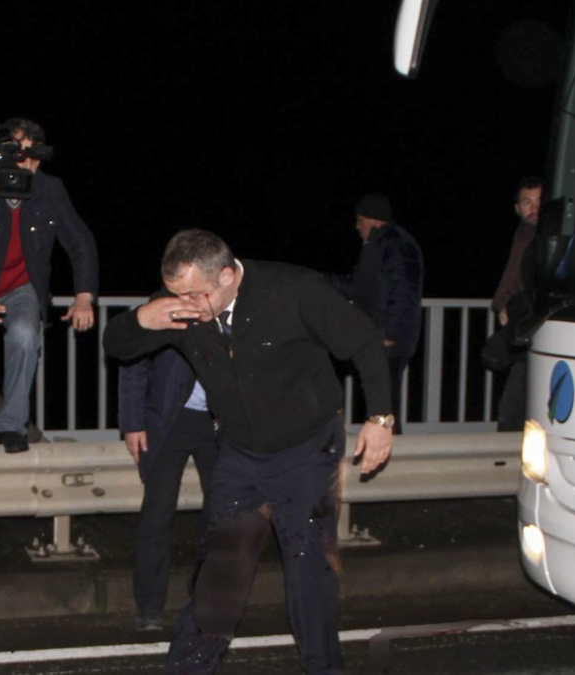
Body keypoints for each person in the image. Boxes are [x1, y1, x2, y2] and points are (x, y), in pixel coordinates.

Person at [103, 229, 394, 674]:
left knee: (305, 569)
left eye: (196, 294)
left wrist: (380, 420)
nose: (188, 306)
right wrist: (143, 317)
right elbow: (117, 346)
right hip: (239, 452)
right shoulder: (182, 306)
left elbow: (364, 343)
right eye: (177, 294)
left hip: (306, 448)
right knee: (223, 572)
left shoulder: (294, 291)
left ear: (225, 275)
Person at [0, 118, 99, 453]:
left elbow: (79, 241)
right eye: (18, 154)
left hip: (22, 288)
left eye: (34, 155)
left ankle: (12, 426)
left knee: (25, 333)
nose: (27, 163)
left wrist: (84, 296)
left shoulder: (49, 189)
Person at [118, 348, 219, 632]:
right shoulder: (163, 305)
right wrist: (132, 422)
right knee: (158, 511)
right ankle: (149, 605)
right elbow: (133, 359)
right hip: (167, 419)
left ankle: (209, 594)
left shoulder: (235, 308)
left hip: (220, 420)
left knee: (224, 512)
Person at [330, 193, 424, 433]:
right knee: (379, 396)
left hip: (390, 339)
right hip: (376, 334)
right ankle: (382, 447)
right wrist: (322, 282)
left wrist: (389, 333)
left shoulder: (397, 244)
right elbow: (360, 286)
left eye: (359, 220)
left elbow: (404, 290)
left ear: (372, 220)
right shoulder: (378, 244)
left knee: (385, 400)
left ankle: (389, 451)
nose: (357, 226)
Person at [491, 177, 542, 432]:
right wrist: (502, 305)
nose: (533, 208)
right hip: (520, 326)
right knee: (515, 401)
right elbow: (511, 276)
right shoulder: (522, 235)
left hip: (535, 325)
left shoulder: (546, 236)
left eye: (539, 201)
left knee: (515, 406)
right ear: (518, 208)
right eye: (527, 201)